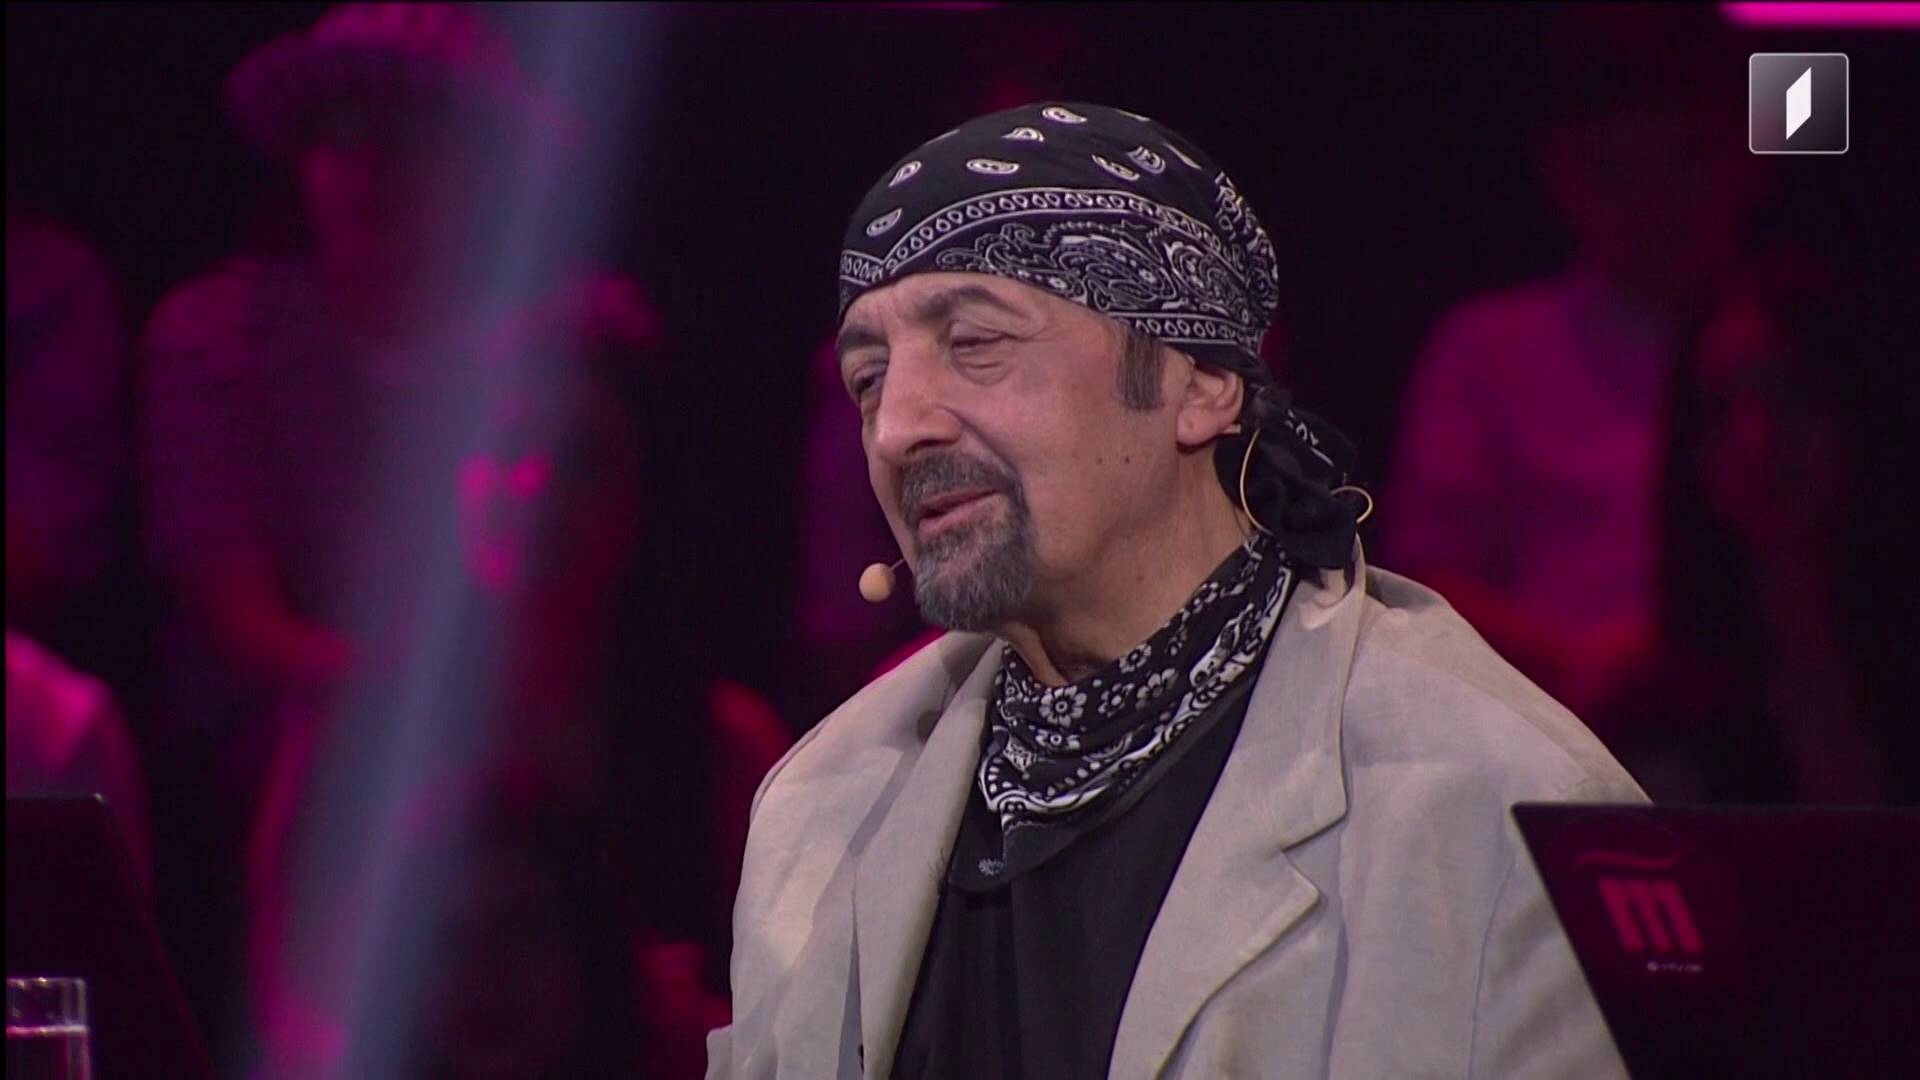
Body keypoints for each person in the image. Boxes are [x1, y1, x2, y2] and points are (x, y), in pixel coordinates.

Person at [710, 102, 1643, 1079]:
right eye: (868, 378)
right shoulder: (818, 811)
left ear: (1198, 385)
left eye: (975, 343)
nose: (898, 428)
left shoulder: (1500, 806)